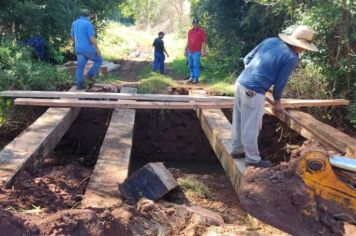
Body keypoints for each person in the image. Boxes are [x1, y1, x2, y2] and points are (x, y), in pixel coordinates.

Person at [230, 25, 318, 168]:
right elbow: (280, 82)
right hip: (253, 91)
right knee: (252, 125)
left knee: (239, 119)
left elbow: (247, 59)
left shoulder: (270, 41)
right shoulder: (291, 57)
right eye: (303, 47)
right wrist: (277, 100)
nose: (302, 50)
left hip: (240, 83)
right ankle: (252, 159)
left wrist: (253, 77)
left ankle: (236, 150)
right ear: (298, 44)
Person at [71, 9, 102, 90]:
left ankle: (80, 85)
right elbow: (92, 38)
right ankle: (90, 75)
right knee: (99, 60)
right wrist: (97, 49)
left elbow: (72, 36)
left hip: (78, 48)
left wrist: (78, 44)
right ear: (89, 16)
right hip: (87, 48)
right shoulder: (88, 24)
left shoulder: (74, 23)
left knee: (80, 66)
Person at [186, 18, 207, 84]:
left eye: (196, 23)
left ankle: (196, 79)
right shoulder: (189, 31)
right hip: (190, 51)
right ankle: (191, 77)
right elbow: (188, 41)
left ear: (198, 24)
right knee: (190, 65)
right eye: (194, 23)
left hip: (197, 51)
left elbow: (204, 41)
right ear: (192, 24)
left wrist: (203, 50)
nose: (195, 24)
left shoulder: (201, 31)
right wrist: (185, 49)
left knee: (196, 65)